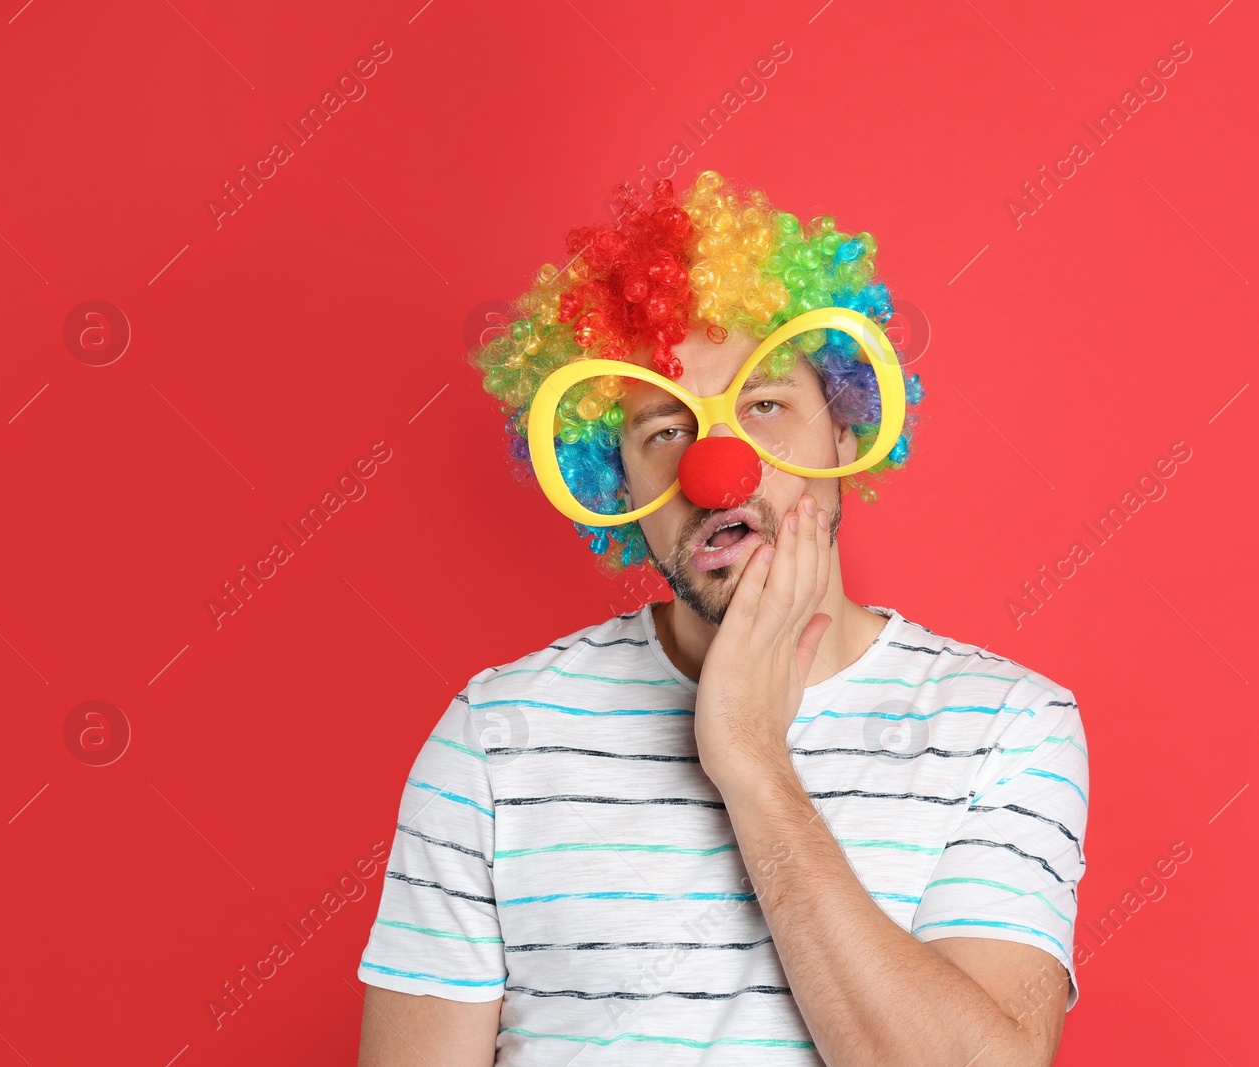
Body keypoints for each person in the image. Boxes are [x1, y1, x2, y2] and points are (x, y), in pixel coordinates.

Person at [355, 170, 1088, 1066]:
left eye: (766, 405)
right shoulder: (494, 736)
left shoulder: (1009, 726)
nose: (717, 470)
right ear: (614, 479)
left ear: (847, 432)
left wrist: (748, 757)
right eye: (665, 430)